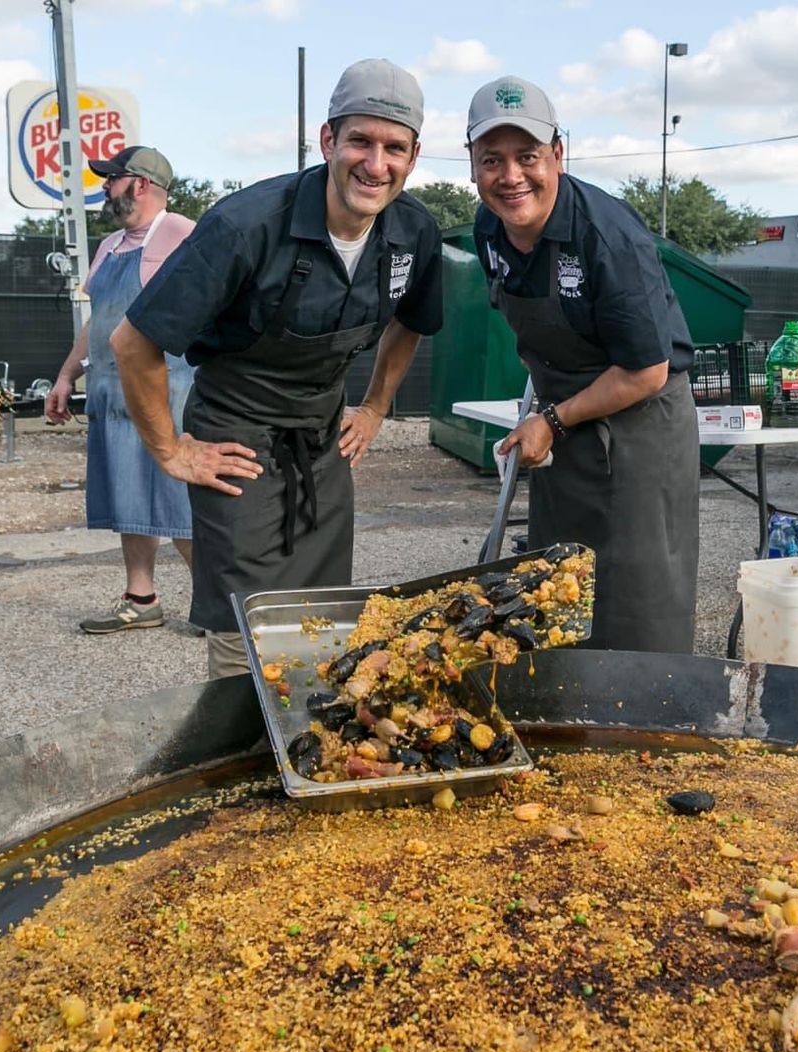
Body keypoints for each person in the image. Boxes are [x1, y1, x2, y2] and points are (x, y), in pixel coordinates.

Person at [110, 59, 443, 678]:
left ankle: (306, 746)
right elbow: (133, 343)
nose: (376, 164)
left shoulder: (412, 230)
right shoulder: (245, 226)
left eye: (394, 147)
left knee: (323, 613)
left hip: (320, 438)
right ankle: (242, 746)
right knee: (249, 619)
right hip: (235, 436)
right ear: (328, 140)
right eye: (360, 141)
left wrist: (373, 407)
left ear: (413, 155)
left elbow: (414, 320)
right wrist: (171, 452)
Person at [466, 76, 700, 653]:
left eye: (528, 156)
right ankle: (567, 728)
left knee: (636, 606)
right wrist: (552, 419)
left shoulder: (607, 236)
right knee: (558, 596)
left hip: (641, 430)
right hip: (564, 433)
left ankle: (645, 728)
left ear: (558, 155)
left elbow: (646, 370)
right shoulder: (489, 229)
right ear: (472, 165)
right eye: (492, 159)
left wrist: (554, 420)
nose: (511, 176)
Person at [46, 145, 196, 633]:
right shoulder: (110, 245)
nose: (105, 188)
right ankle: (142, 598)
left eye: (112, 179)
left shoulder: (181, 235)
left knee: (180, 499)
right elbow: (100, 320)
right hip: (111, 391)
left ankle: (218, 602)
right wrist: (69, 374)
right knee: (129, 495)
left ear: (142, 185)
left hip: (166, 390)